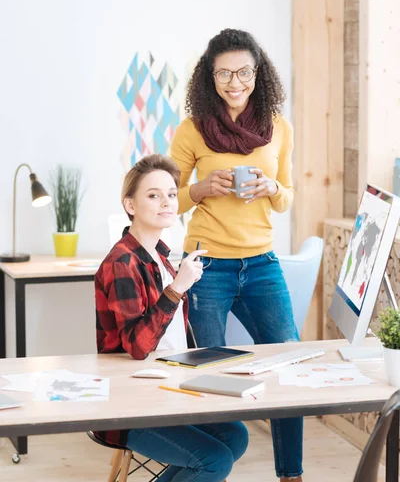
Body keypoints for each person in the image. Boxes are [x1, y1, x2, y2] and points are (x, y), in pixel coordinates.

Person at [170, 29, 303, 482]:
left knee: (289, 366)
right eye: (224, 73)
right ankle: (210, 466)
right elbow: (172, 197)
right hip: (206, 265)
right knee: (210, 372)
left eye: (244, 72)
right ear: (210, 77)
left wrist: (273, 188)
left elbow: (287, 198)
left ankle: (292, 474)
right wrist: (203, 188)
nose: (234, 82)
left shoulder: (278, 127)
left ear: (257, 73)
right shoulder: (191, 130)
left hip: (263, 264)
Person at [94, 153, 248, 482]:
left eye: (172, 194)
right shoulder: (122, 262)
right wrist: (178, 287)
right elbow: (138, 347)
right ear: (131, 205)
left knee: (235, 436)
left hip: (168, 387)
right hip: (133, 404)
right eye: (154, 195)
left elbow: (174, 337)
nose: (167, 202)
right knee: (215, 461)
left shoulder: (162, 256)